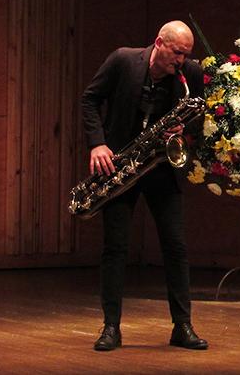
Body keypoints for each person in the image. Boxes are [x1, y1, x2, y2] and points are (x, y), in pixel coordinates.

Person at [81, 20, 207, 351]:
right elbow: (90, 99)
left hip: (161, 166)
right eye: (177, 53)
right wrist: (97, 143)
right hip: (120, 165)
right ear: (159, 43)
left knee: (176, 247)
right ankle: (111, 327)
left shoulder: (190, 73)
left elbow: (197, 118)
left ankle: (182, 326)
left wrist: (183, 132)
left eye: (186, 54)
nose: (181, 61)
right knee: (116, 247)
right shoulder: (123, 60)